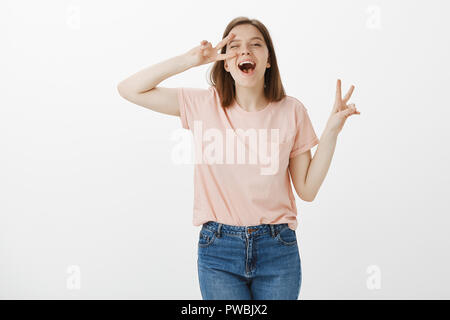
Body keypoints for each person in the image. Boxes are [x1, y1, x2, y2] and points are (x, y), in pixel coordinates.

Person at [117, 16, 360, 300]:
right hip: (219, 250)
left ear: (268, 60)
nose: (245, 51)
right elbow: (129, 89)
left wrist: (332, 130)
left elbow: (307, 190)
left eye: (256, 44)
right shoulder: (203, 104)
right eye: (235, 46)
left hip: (277, 249)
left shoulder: (292, 111)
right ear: (226, 62)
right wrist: (189, 60)